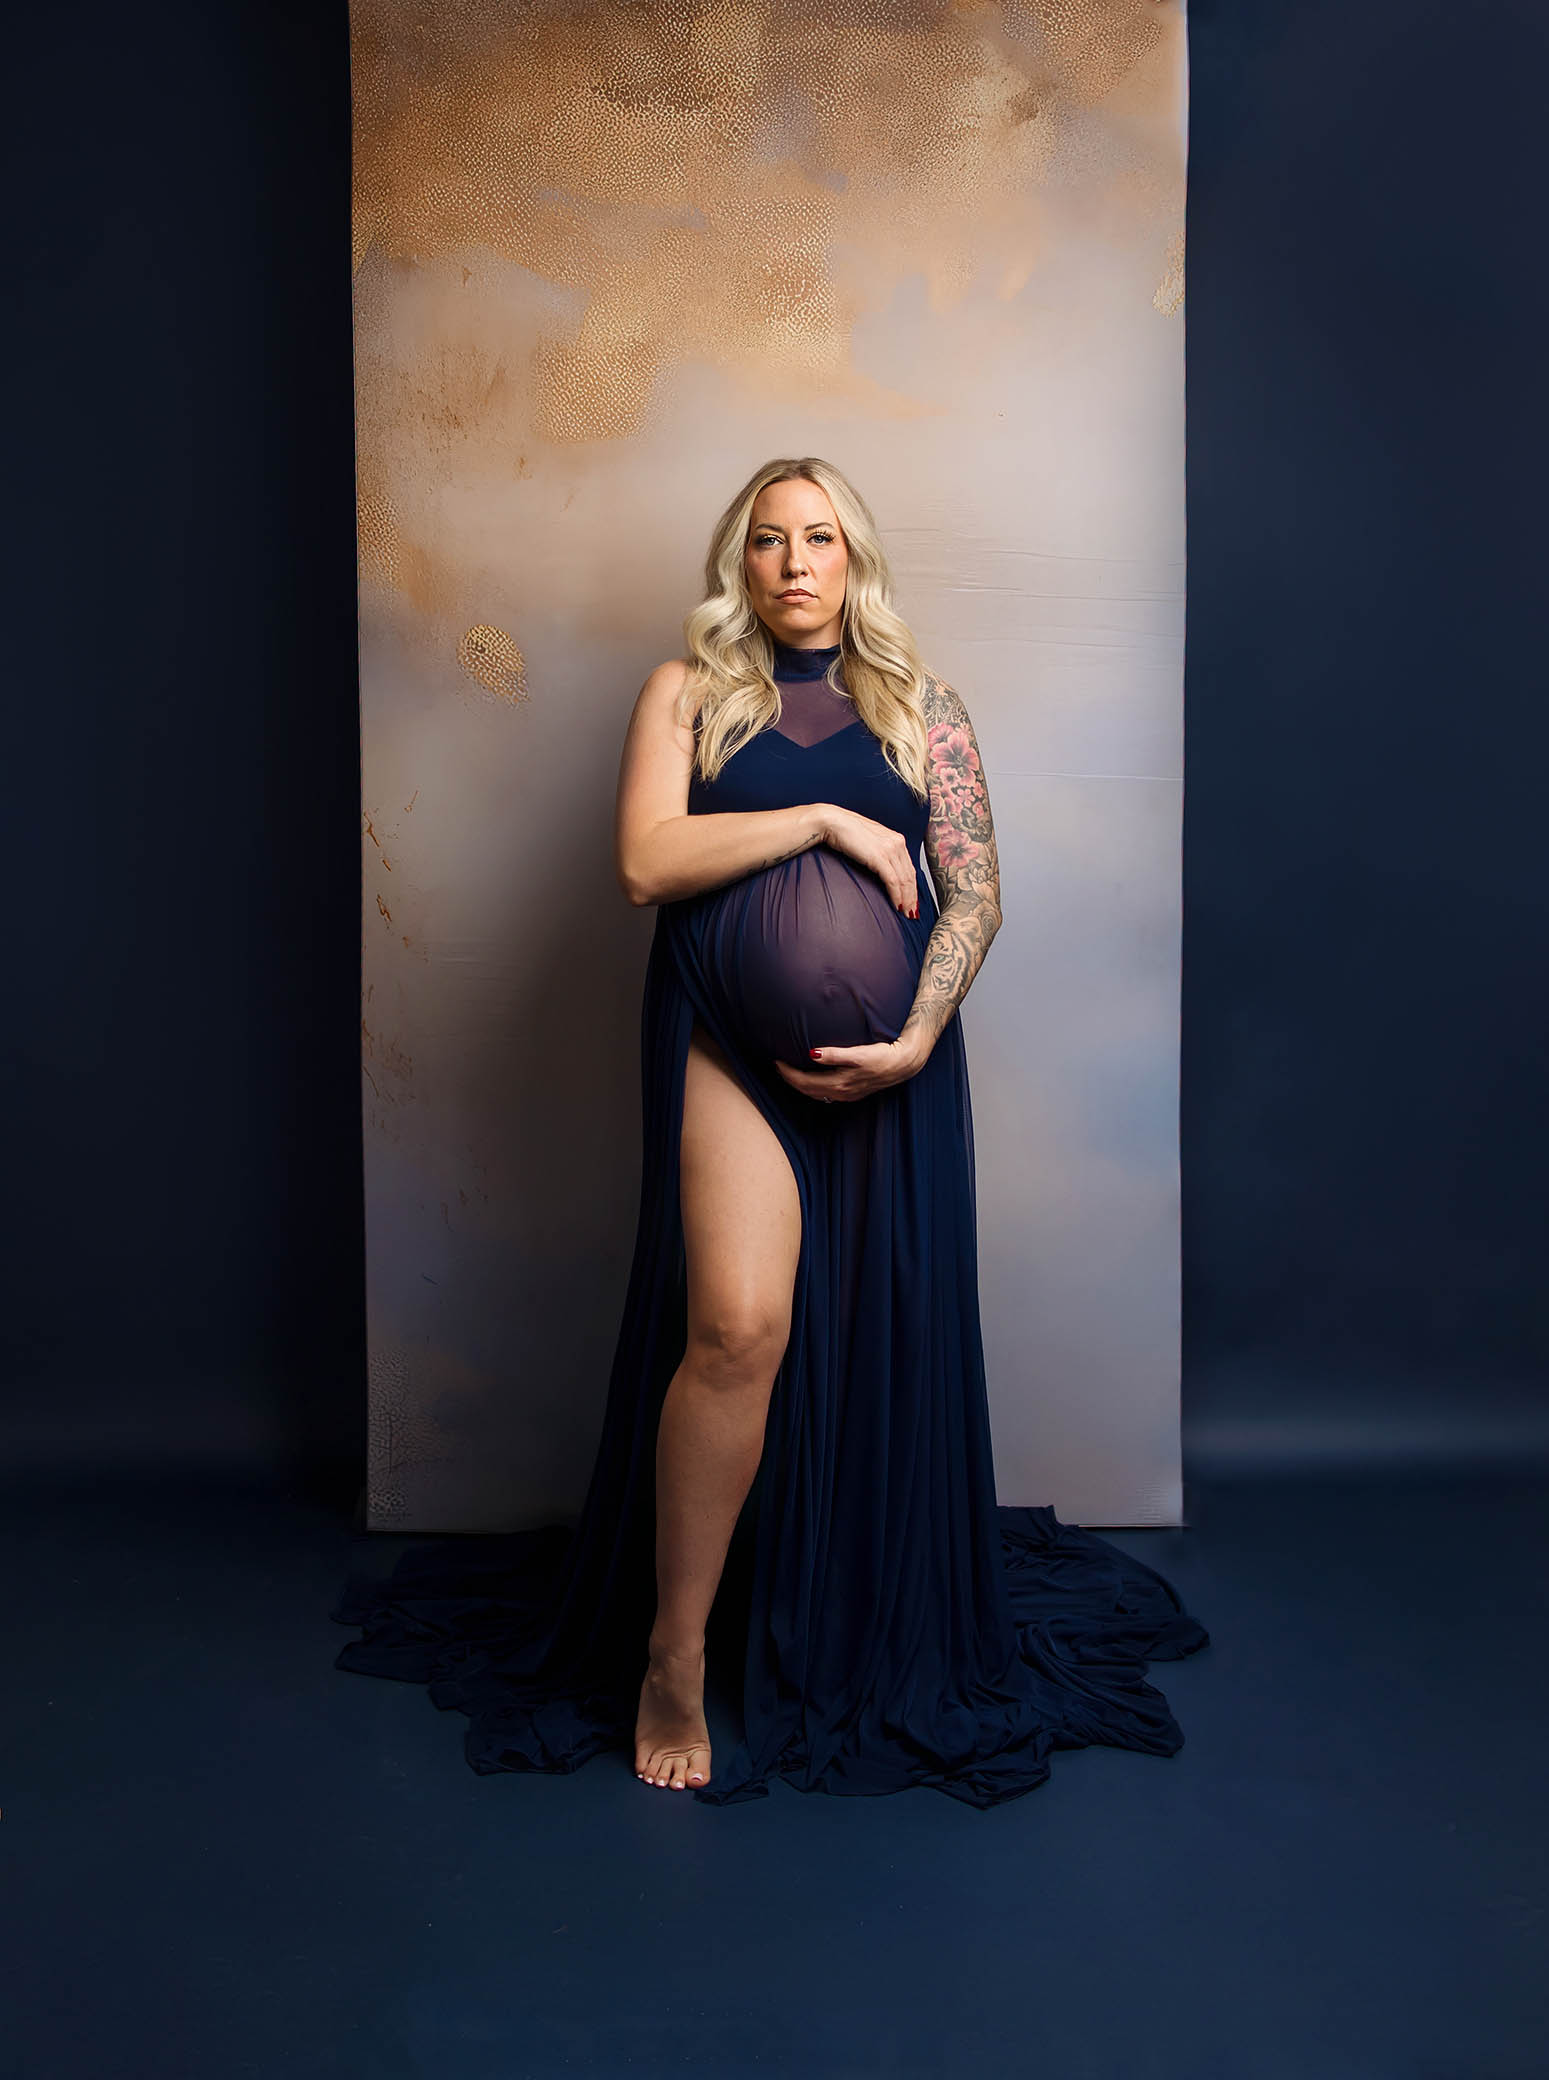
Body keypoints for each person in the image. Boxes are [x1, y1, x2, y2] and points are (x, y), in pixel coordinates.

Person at [333, 456, 1208, 1807]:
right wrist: (820, 818)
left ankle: (845, 1616)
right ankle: (673, 1656)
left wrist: (913, 1035)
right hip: (720, 1047)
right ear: (735, 565)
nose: (795, 564)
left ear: (856, 560)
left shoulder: (928, 710)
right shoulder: (685, 697)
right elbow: (641, 865)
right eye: (766, 542)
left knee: (873, 1343)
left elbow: (971, 895)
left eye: (820, 540)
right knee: (737, 1328)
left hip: (894, 1068)